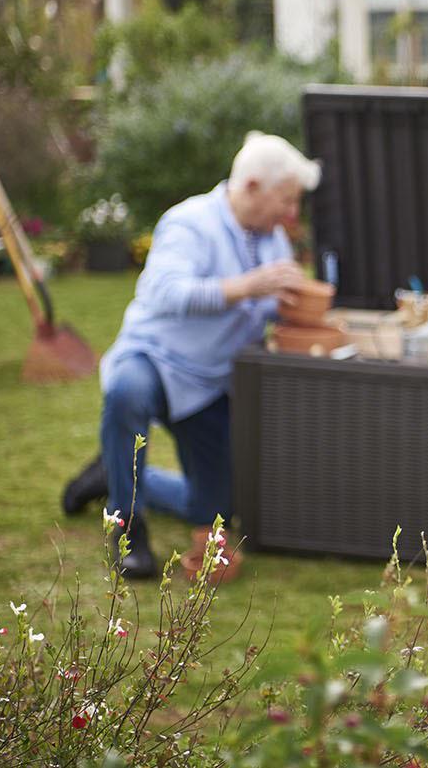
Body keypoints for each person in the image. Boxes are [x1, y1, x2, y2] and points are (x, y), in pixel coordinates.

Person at [61, 131, 321, 579]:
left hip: (209, 384)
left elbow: (268, 308)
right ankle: (128, 533)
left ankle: (111, 477)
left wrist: (296, 305)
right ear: (253, 187)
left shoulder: (274, 240)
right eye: (286, 200)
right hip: (154, 361)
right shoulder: (189, 223)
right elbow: (164, 291)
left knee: (219, 508)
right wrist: (247, 286)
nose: (292, 213)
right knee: (126, 394)